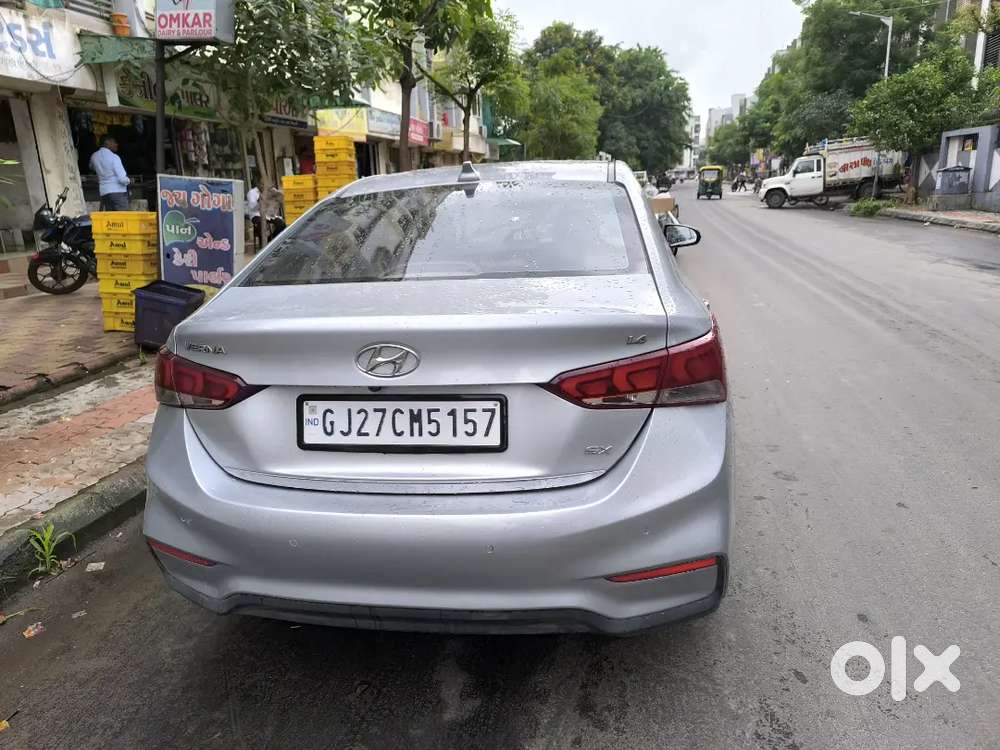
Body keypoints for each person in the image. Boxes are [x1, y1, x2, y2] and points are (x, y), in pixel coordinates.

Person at [89, 137, 130, 211]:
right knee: (122, 219)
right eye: (114, 142)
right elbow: (122, 179)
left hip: (104, 193)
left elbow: (91, 167)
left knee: (111, 220)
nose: (116, 144)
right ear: (107, 143)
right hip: (118, 192)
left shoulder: (94, 156)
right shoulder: (114, 157)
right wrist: (129, 180)